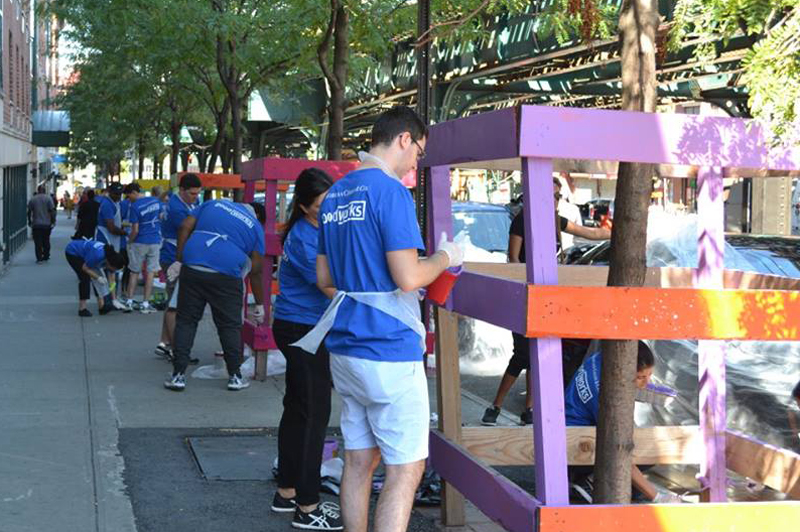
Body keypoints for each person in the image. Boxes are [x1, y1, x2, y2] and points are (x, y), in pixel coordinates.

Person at [300, 106, 464, 532]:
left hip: (344, 349)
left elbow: (323, 277)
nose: (416, 164)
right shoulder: (390, 192)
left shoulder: (335, 193)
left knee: (357, 463)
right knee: (405, 470)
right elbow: (409, 277)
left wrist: (364, 289)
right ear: (404, 139)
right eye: (418, 152)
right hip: (389, 351)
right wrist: (446, 257)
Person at [482, 185, 612, 426]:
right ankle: (496, 405)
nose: (555, 200)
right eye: (552, 195)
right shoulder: (522, 220)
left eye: (558, 196)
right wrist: (523, 288)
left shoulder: (555, 221)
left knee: (536, 352)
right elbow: (513, 259)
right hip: (524, 294)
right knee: (521, 355)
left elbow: (588, 233)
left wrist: (615, 232)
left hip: (546, 296)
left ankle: (528, 408)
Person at [270, 169, 342, 530]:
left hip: (305, 327)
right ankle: (308, 506)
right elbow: (329, 287)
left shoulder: (320, 229)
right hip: (303, 329)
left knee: (298, 410)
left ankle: (286, 492)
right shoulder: (302, 237)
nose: (326, 209)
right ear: (302, 206)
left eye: (330, 201)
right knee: (314, 414)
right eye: (319, 205)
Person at [163, 200, 266, 392]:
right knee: (229, 326)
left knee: (186, 321)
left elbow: (185, 226)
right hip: (227, 275)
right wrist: (260, 304)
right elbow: (257, 270)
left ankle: (178, 375)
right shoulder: (256, 227)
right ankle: (235, 376)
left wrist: (179, 260)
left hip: (193, 266)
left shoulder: (213, 204)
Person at [564, 342, 681, 504]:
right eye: (640, 377)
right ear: (624, 369)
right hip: (575, 447)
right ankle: (589, 480)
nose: (645, 383)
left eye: (649, 376)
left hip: (572, 429)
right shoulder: (604, 398)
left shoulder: (601, 359)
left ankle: (592, 479)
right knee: (649, 447)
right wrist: (657, 497)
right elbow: (621, 449)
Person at [155, 173, 202, 361]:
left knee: (172, 302)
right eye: (192, 193)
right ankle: (177, 349)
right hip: (174, 257)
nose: (196, 197)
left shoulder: (181, 203)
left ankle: (165, 342)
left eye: (198, 193)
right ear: (181, 190)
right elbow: (193, 229)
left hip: (173, 255)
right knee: (176, 305)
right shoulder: (177, 210)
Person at [65, 239, 127, 316]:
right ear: (109, 263)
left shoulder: (113, 257)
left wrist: (114, 300)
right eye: (113, 269)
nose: (113, 270)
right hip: (73, 252)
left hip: (88, 255)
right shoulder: (98, 256)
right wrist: (98, 277)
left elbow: (112, 282)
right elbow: (85, 268)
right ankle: (82, 309)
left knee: (101, 279)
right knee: (85, 278)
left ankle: (102, 307)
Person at [126, 186, 163, 313]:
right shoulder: (157, 202)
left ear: (134, 193)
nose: (128, 199)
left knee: (134, 272)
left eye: (128, 195)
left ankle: (130, 301)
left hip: (139, 242)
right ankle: (146, 303)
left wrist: (129, 241)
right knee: (151, 273)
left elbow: (135, 230)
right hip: (155, 241)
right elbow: (162, 217)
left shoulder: (135, 207)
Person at [28, 185, 56, 263]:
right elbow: (52, 211)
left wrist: (29, 221)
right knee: (46, 240)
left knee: (38, 242)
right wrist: (53, 221)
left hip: (36, 224)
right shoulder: (48, 199)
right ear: (44, 190)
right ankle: (46, 256)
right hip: (46, 224)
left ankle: (39, 258)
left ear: (38, 190)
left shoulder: (33, 199)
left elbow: (29, 211)